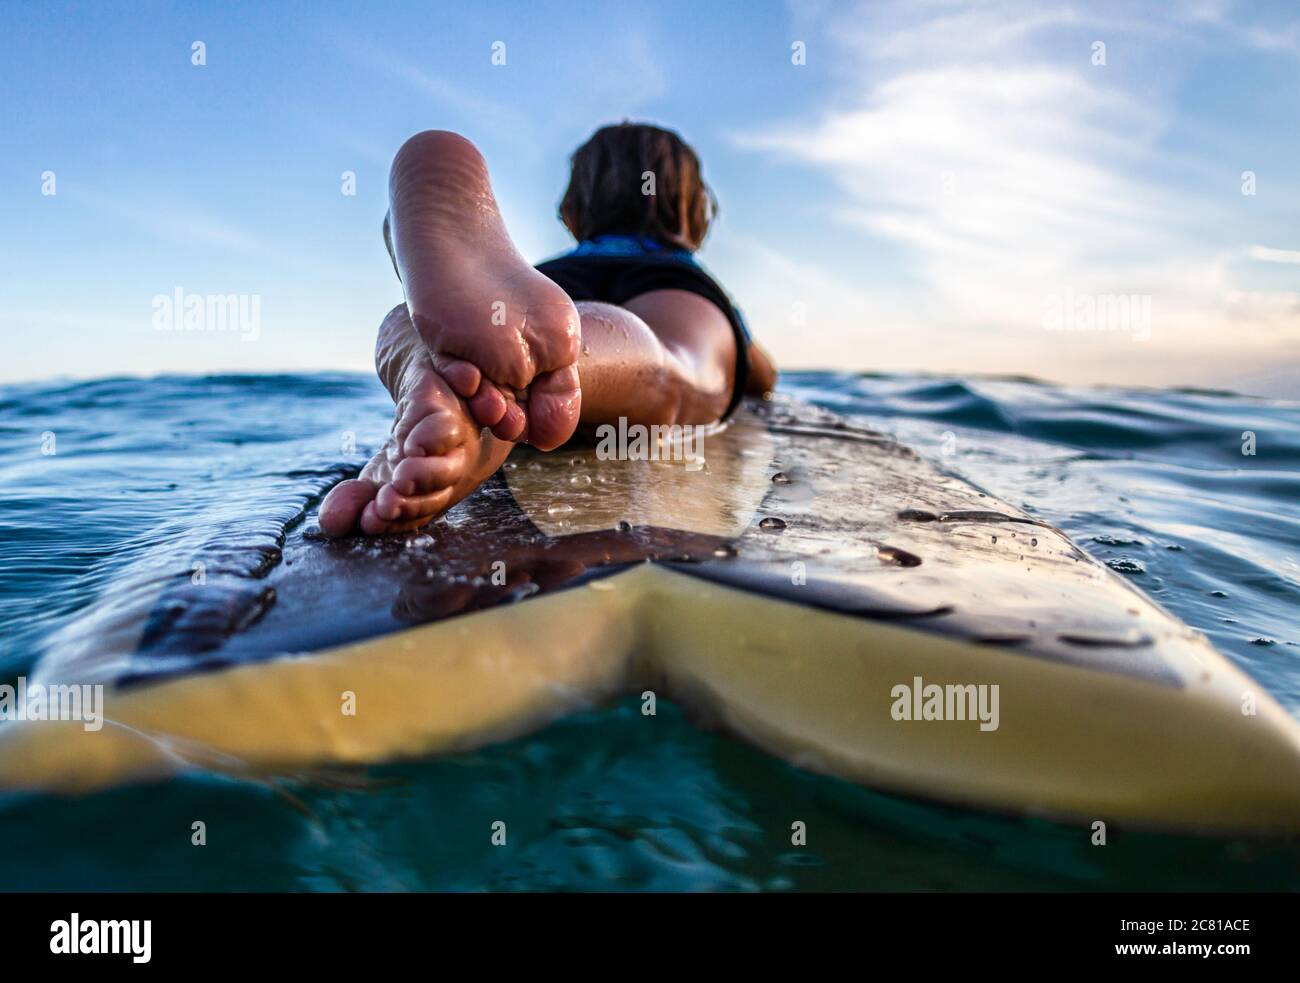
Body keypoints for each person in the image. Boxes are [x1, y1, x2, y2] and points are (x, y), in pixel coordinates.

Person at [320, 123, 777, 537]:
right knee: (671, 363)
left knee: (516, 335)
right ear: (695, 209)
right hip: (672, 283)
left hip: (554, 284)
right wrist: (747, 359)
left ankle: (461, 364)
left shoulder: (540, 284)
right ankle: (530, 365)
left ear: (572, 210)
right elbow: (761, 378)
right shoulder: (687, 276)